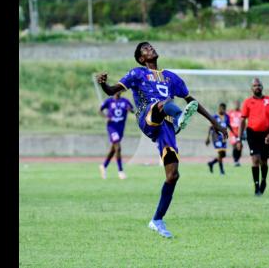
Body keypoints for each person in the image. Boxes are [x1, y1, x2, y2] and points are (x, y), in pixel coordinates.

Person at [96, 42, 228, 238]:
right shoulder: (137, 73)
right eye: (146, 49)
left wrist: (215, 123)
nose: (151, 49)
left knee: (173, 175)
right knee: (163, 103)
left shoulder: (171, 78)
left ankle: (157, 220)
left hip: (165, 129)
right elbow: (111, 90)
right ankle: (179, 119)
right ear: (142, 59)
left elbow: (192, 101)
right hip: (146, 117)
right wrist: (103, 83)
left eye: (151, 47)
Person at [238, 78, 269, 196]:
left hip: (266, 133)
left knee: (264, 161)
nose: (257, 87)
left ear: (262, 87)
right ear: (251, 88)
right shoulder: (247, 102)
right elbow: (242, 121)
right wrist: (239, 139)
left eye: (259, 85)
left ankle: (264, 180)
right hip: (252, 133)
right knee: (255, 159)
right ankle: (256, 187)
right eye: (255, 85)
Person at [98, 90, 134, 180]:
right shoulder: (109, 101)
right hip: (112, 127)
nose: (118, 91)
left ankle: (104, 166)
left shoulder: (125, 101)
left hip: (120, 128)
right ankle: (120, 171)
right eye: (116, 90)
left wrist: (130, 110)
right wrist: (106, 117)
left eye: (119, 90)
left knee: (113, 149)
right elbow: (99, 110)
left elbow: (133, 110)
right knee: (118, 147)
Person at [205, 103, 233, 175]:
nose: (221, 110)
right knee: (220, 153)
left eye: (223, 109)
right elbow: (210, 127)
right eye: (220, 108)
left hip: (223, 137)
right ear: (218, 108)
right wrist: (208, 137)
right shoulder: (215, 116)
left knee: (223, 155)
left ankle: (211, 163)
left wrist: (235, 134)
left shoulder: (227, 116)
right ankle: (221, 171)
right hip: (216, 137)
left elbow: (229, 125)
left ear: (225, 109)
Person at [227, 100, 244, 167]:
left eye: (238, 104)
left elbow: (244, 122)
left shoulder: (242, 112)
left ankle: (238, 160)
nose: (237, 105)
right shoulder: (230, 113)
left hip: (241, 132)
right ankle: (235, 160)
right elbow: (227, 121)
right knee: (234, 146)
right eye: (235, 104)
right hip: (233, 132)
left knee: (240, 147)